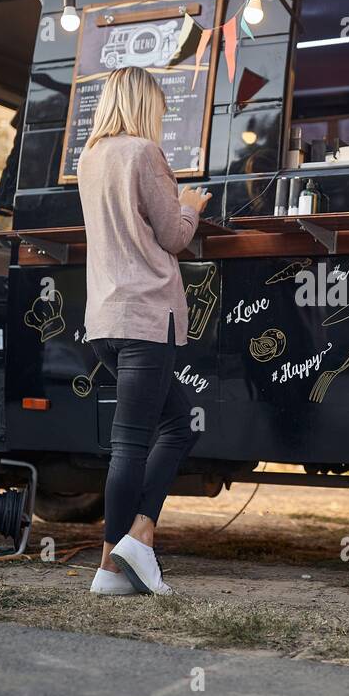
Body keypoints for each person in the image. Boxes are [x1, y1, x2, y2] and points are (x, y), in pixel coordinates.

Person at [77, 66, 212, 596]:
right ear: (142, 104)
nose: (161, 114)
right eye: (158, 105)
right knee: (133, 443)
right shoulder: (143, 153)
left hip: (104, 320)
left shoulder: (90, 159)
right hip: (145, 317)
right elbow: (174, 236)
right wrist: (192, 207)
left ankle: (138, 536)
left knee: (178, 425)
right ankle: (113, 565)